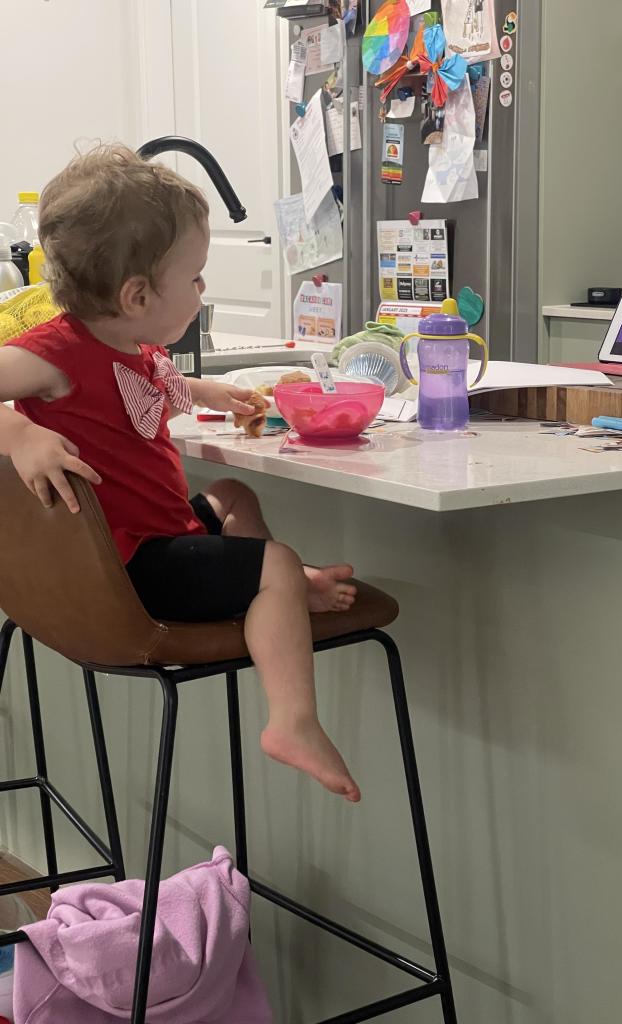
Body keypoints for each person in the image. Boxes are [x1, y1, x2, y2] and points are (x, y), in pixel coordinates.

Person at [0, 144, 360, 802]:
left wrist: (211, 395)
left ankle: (269, 598)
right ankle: (292, 720)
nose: (201, 290)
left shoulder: (126, 347)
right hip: (128, 569)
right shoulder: (51, 352)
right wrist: (19, 433)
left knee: (231, 494)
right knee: (273, 559)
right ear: (137, 295)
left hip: (157, 538)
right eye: (194, 277)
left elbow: (135, 392)